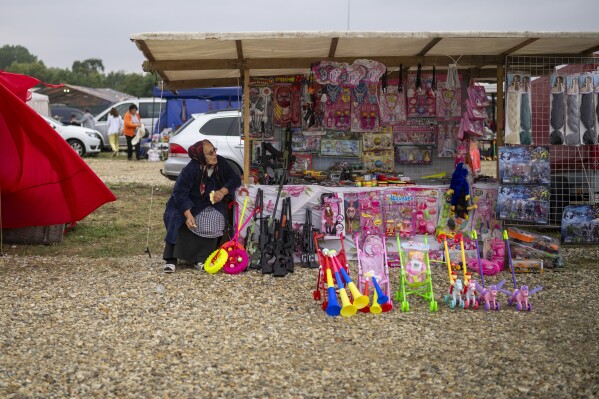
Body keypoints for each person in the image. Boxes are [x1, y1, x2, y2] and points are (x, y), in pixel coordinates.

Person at [162, 140, 241, 273]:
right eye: (210, 153)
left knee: (215, 219)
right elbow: (180, 193)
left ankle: (202, 258)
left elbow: (235, 179)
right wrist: (187, 214)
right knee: (175, 217)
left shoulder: (220, 162)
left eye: (214, 150)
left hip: (209, 202)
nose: (215, 154)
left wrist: (222, 191)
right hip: (187, 202)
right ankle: (171, 258)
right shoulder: (191, 169)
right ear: (200, 156)